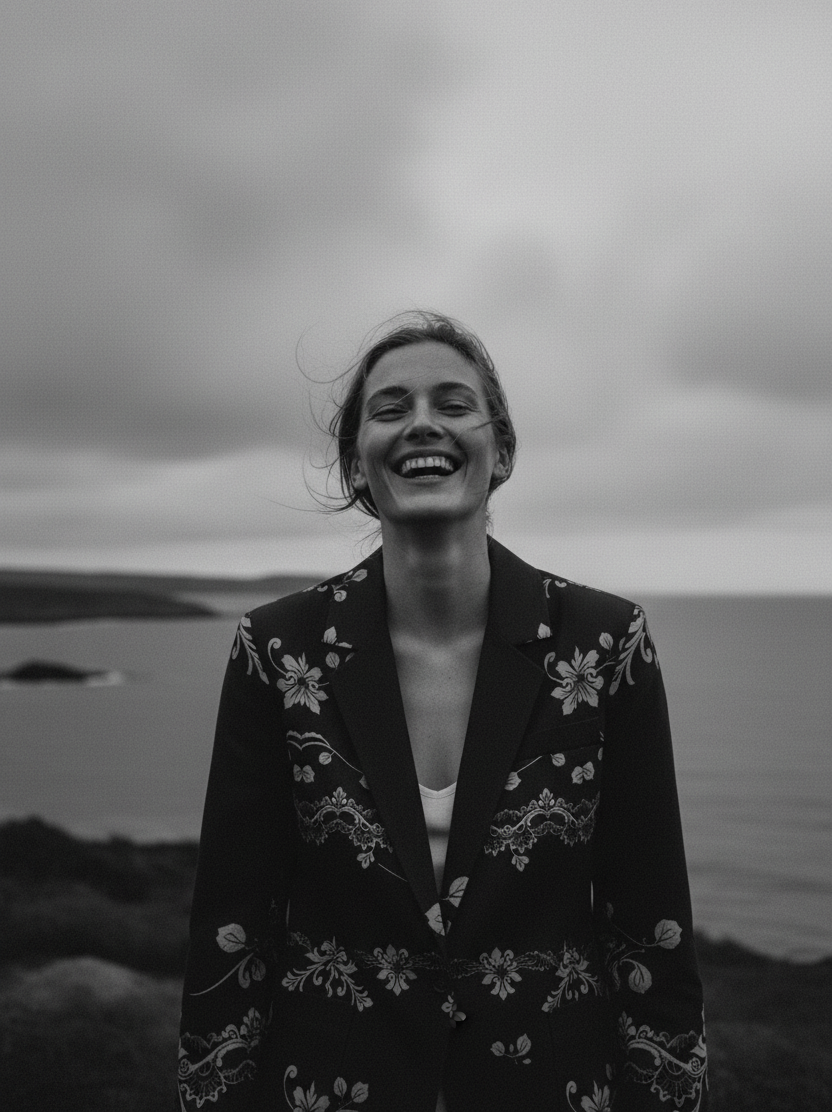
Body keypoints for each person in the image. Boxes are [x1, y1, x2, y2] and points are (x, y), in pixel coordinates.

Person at [177, 312, 708, 1111]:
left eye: (453, 404)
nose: (422, 423)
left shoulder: (605, 645)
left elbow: (651, 926)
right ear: (357, 460)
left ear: (503, 449)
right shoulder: (277, 651)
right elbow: (234, 930)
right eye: (389, 409)